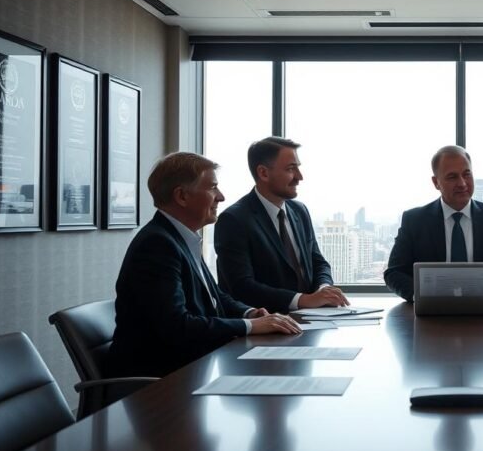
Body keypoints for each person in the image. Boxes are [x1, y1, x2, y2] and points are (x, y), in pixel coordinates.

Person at [106, 152, 302, 378]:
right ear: (182, 196)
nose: (221, 197)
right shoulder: (157, 245)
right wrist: (251, 327)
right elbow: (178, 326)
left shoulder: (179, 237)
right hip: (159, 384)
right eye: (212, 188)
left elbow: (213, 296)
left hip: (194, 367)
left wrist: (249, 313)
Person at [214, 137, 348, 313]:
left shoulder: (300, 211)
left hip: (312, 320)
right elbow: (242, 286)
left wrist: (324, 290)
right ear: (263, 173)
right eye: (291, 169)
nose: (299, 177)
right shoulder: (234, 219)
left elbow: (318, 262)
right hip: (264, 325)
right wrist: (303, 300)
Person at [384, 145, 483, 302]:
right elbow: (394, 273)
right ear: (436, 182)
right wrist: (420, 296)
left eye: (467, 174)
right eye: (452, 177)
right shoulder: (415, 220)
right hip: (431, 316)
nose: (462, 183)